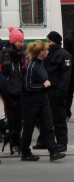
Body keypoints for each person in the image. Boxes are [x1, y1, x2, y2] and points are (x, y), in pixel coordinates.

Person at [20, 40, 66, 162]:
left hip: (43, 101)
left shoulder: (40, 64)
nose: (47, 52)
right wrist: (43, 86)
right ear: (41, 52)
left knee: (48, 126)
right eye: (46, 50)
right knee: (28, 128)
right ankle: (25, 152)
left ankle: (53, 151)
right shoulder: (31, 67)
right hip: (31, 103)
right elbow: (28, 86)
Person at [33, 31, 71, 151]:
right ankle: (44, 141)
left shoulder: (65, 55)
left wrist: (61, 92)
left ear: (54, 41)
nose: (47, 43)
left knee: (59, 118)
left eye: (49, 41)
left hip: (57, 91)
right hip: (46, 90)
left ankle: (62, 143)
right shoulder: (48, 54)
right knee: (44, 117)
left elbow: (65, 76)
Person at [1, 26, 26, 155]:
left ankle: (17, 142)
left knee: (19, 119)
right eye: (20, 42)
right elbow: (5, 74)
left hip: (20, 90)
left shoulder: (21, 54)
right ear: (14, 41)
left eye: (22, 41)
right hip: (10, 91)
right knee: (11, 119)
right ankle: (13, 143)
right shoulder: (7, 55)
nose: (22, 44)